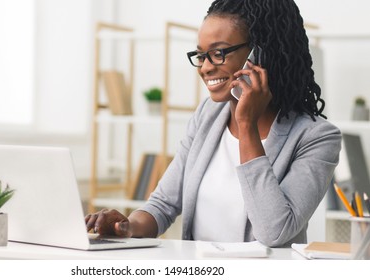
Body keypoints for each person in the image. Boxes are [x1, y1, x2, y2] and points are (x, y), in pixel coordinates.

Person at [85, 0, 341, 248]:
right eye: (200, 55)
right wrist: (126, 227)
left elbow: (275, 232)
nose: (205, 68)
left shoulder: (316, 137)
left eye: (218, 53)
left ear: (262, 52)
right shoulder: (208, 115)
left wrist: (246, 124)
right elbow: (163, 205)